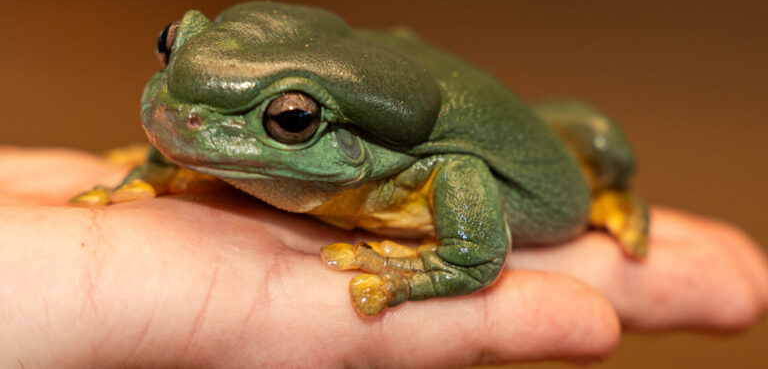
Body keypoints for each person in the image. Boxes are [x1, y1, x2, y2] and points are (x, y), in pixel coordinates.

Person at [1, 147, 766, 368]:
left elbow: (458, 179)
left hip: (526, 167)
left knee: (598, 141)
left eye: (290, 118)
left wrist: (438, 264)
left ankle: (614, 188)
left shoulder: (427, 163)